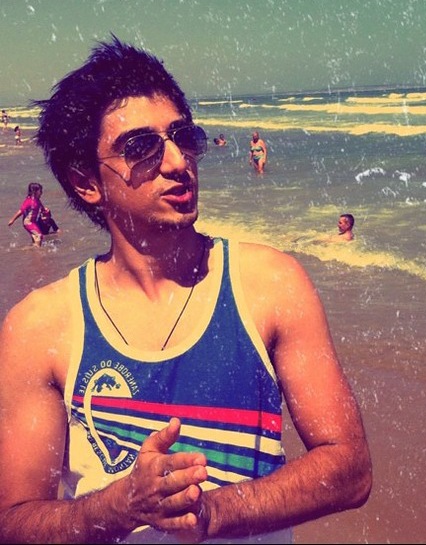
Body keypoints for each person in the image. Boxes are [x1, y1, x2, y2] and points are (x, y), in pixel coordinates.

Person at [0, 37, 371, 544]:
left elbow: (349, 468)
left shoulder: (268, 285)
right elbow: (14, 520)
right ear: (86, 182)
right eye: (141, 147)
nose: (178, 161)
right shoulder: (41, 327)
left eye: (182, 136)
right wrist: (117, 507)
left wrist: (212, 513)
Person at [7, 181, 45, 247]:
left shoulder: (38, 200)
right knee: (39, 235)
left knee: (35, 238)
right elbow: (20, 211)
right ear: (34, 191)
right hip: (28, 222)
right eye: (40, 191)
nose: (42, 192)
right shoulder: (29, 201)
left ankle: (31, 249)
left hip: (34, 222)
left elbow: (41, 207)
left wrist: (44, 211)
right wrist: (12, 220)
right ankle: (37, 250)